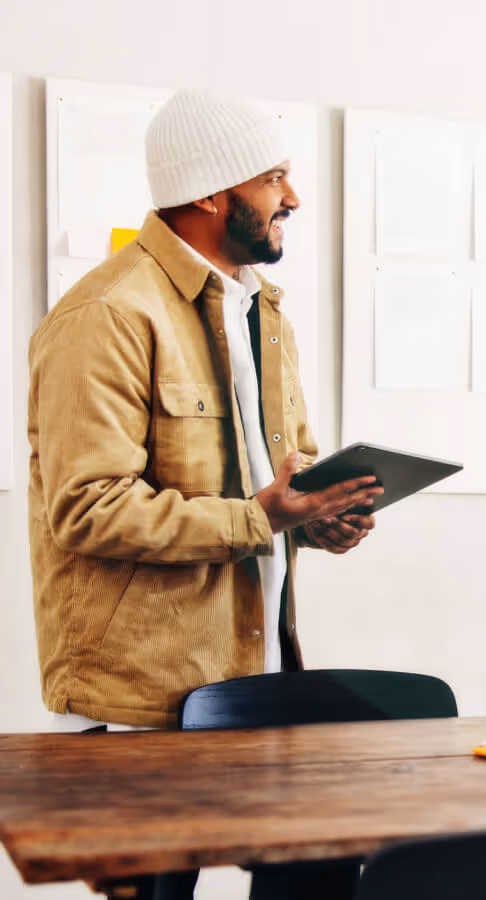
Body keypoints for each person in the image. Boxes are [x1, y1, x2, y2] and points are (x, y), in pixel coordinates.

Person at [28, 89, 383, 735]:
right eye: (273, 178)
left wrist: (318, 517)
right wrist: (262, 516)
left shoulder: (265, 314)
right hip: (140, 707)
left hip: (258, 682)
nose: (293, 199)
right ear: (209, 193)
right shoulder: (106, 315)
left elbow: (280, 479)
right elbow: (86, 509)